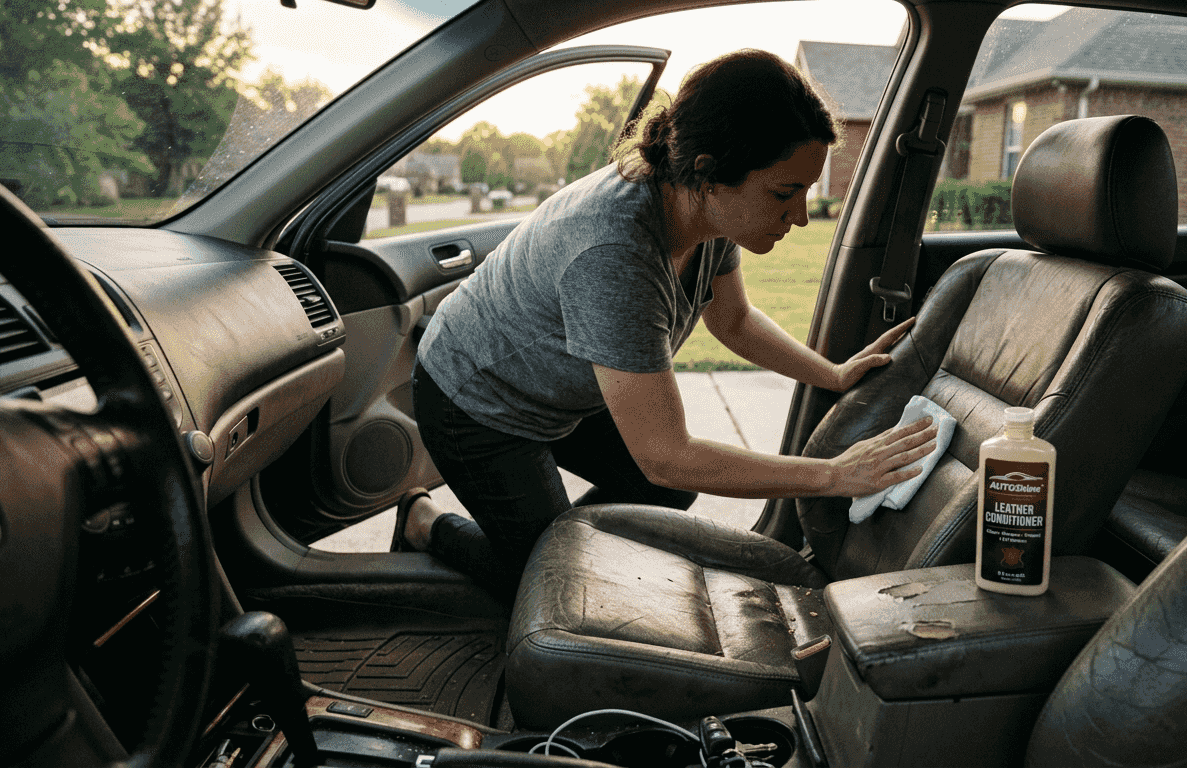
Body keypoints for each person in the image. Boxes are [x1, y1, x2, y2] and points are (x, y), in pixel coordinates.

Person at [397, 49, 937, 599]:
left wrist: (834, 374)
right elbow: (666, 455)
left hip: (562, 395)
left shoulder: (705, 214)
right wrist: (833, 475)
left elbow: (734, 320)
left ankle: (568, 547)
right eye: (783, 193)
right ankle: (424, 523)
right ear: (707, 172)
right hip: (478, 402)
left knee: (660, 499)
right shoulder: (615, 251)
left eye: (804, 191)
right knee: (548, 584)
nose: (799, 216)